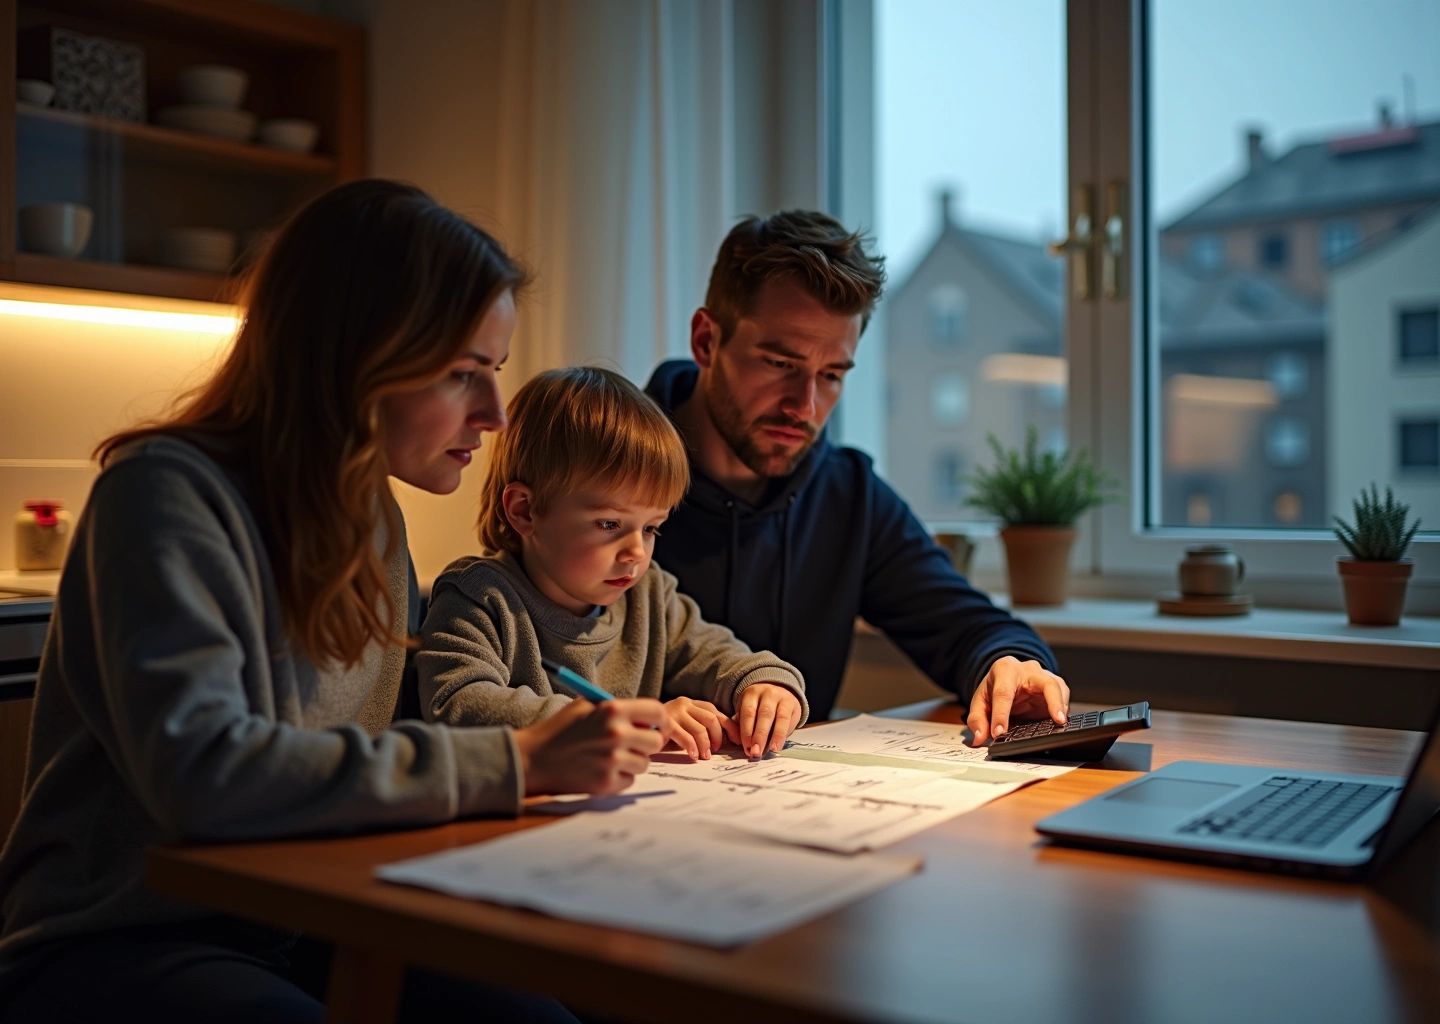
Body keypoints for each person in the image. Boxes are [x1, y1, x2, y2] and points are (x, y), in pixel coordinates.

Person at [0, 181, 665, 1024]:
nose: (495, 415)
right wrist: (523, 762)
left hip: (300, 918)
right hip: (117, 941)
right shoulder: (164, 498)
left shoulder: (374, 519)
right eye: (465, 375)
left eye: (492, 374)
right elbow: (209, 778)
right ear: (357, 357)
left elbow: (370, 756)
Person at [645, 210, 1070, 742]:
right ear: (706, 340)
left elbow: (968, 626)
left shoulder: (848, 496)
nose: (805, 406)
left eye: (830, 376)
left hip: (790, 803)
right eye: (780, 364)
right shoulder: (599, 468)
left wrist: (1012, 666)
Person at [417, 366, 807, 760]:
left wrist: (764, 684)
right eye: (610, 524)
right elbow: (457, 704)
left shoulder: (647, 594)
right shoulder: (477, 597)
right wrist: (621, 720)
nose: (636, 552)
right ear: (525, 511)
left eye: (652, 528)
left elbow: (717, 653)